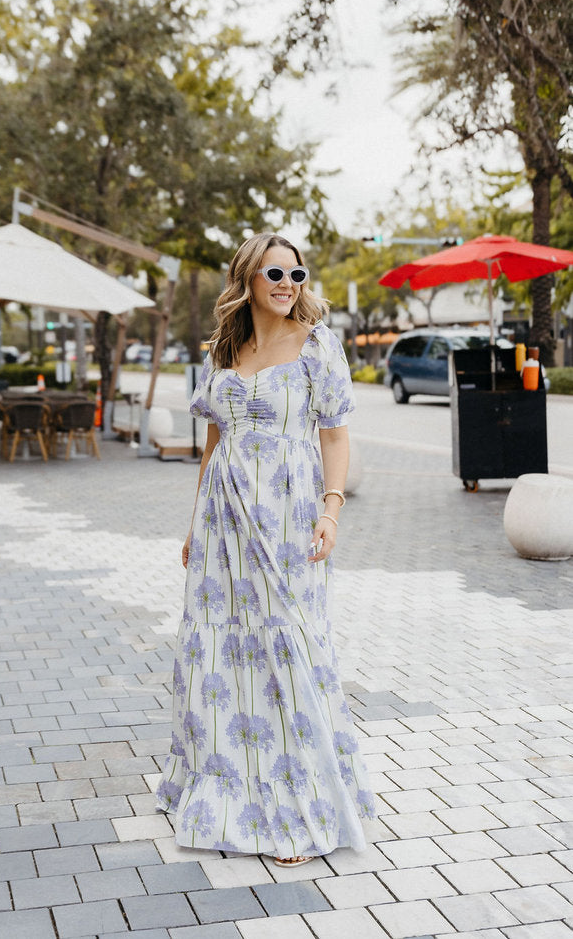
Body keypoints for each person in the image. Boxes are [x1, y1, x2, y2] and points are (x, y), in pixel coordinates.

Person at [156, 232, 375, 865]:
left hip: (288, 516)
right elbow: (212, 442)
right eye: (275, 272)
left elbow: (335, 436)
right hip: (225, 521)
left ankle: (297, 802)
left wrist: (332, 509)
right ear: (248, 278)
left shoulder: (317, 347)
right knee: (218, 646)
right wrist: (196, 522)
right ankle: (218, 784)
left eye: (297, 272)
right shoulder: (224, 350)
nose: (287, 283)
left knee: (290, 644)